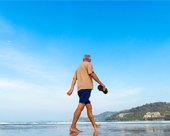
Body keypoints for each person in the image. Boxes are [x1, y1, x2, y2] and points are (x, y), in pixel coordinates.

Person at [67, 54, 106, 133]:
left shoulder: (78, 68)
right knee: (80, 107)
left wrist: (71, 89)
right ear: (89, 60)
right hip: (86, 88)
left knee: (89, 108)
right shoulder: (88, 64)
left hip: (80, 90)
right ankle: (73, 127)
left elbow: (74, 79)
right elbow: (92, 74)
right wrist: (101, 84)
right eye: (90, 58)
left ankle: (94, 125)